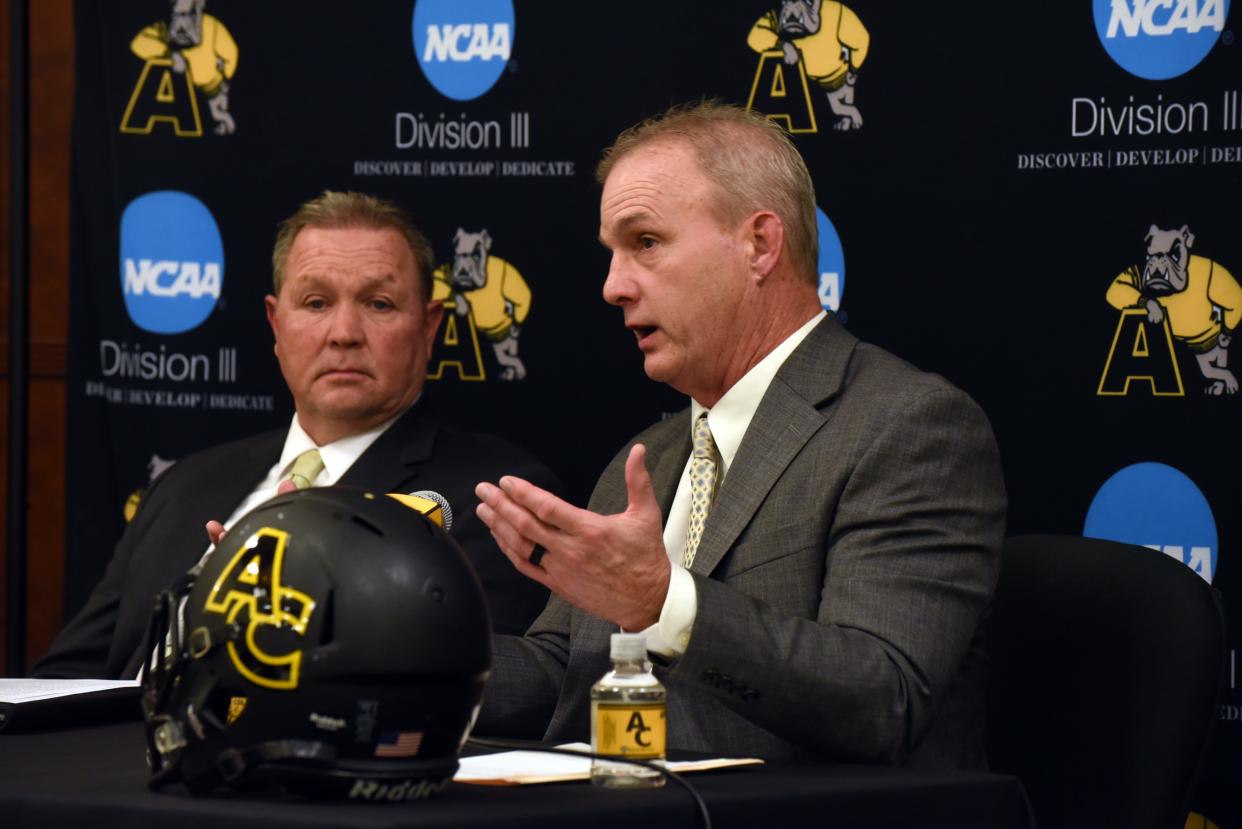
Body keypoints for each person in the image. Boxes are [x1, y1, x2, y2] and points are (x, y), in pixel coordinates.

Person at [472, 102, 1006, 768]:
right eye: (610, 253)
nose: (612, 286)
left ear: (759, 244)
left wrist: (663, 601)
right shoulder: (651, 455)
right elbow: (564, 673)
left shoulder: (909, 426)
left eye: (644, 242)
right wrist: (404, 656)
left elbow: (883, 696)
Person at [34, 191, 557, 679]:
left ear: (428, 328)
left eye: (378, 304)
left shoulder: (493, 497)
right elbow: (69, 676)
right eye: (315, 303)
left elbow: (484, 689)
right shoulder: (187, 484)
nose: (344, 333)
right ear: (275, 324)